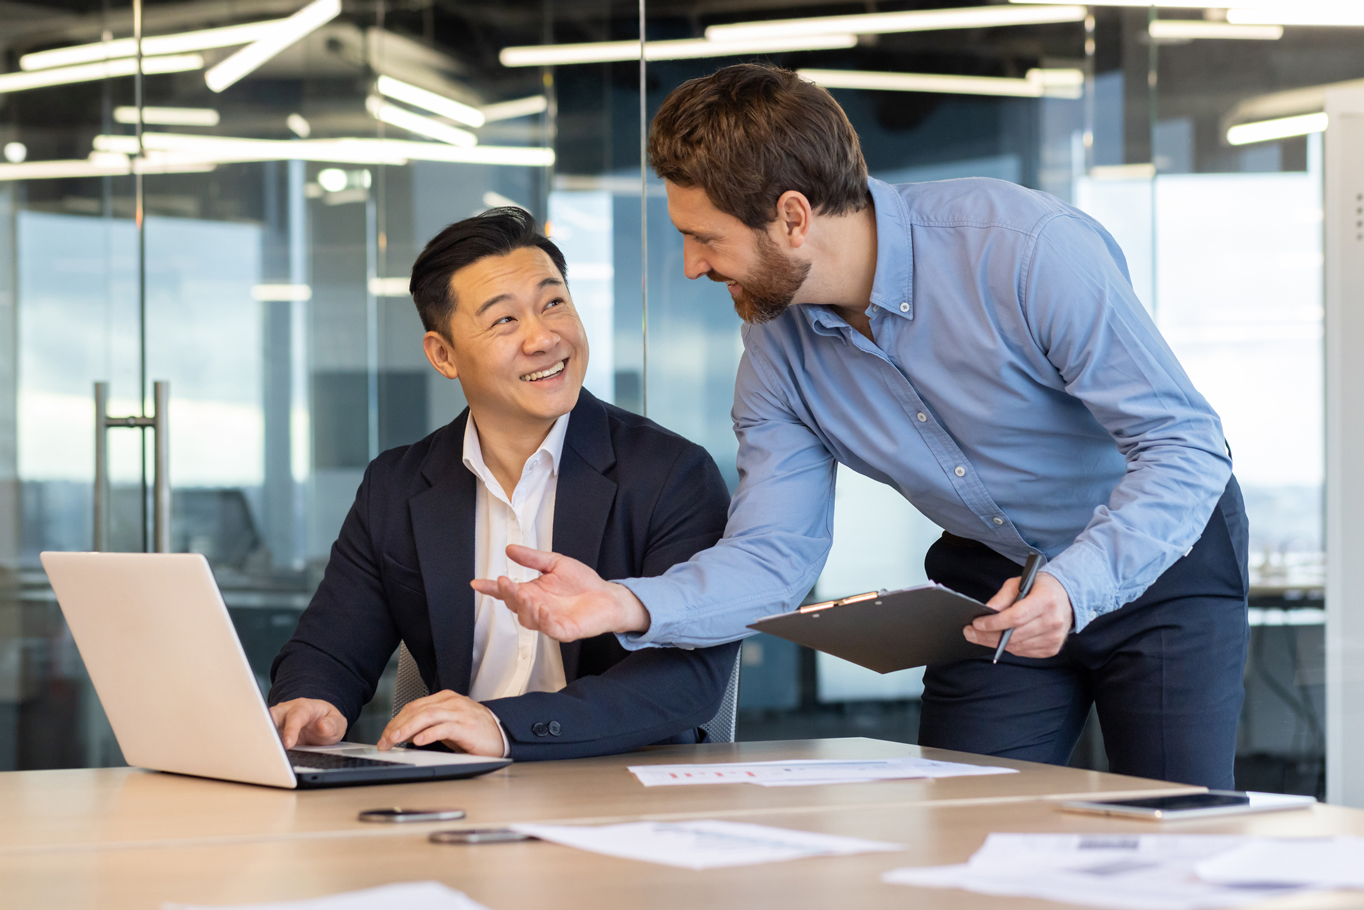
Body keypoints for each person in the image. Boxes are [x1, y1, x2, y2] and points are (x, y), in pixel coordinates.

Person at [473, 65, 1249, 788]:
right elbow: (775, 551)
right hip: (992, 583)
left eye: (705, 237)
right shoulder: (778, 348)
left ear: (793, 217)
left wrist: (1076, 590)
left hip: (1158, 560)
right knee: (967, 840)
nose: (692, 266)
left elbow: (1184, 447)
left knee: (1171, 828)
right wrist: (626, 604)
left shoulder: (1024, 252)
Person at [268, 207, 739, 760]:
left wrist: (504, 726)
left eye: (554, 303)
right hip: (457, 798)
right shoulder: (396, 486)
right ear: (444, 355)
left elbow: (684, 680)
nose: (543, 338)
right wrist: (312, 701)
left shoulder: (670, 474)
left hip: (623, 786)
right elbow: (331, 645)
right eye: (504, 321)